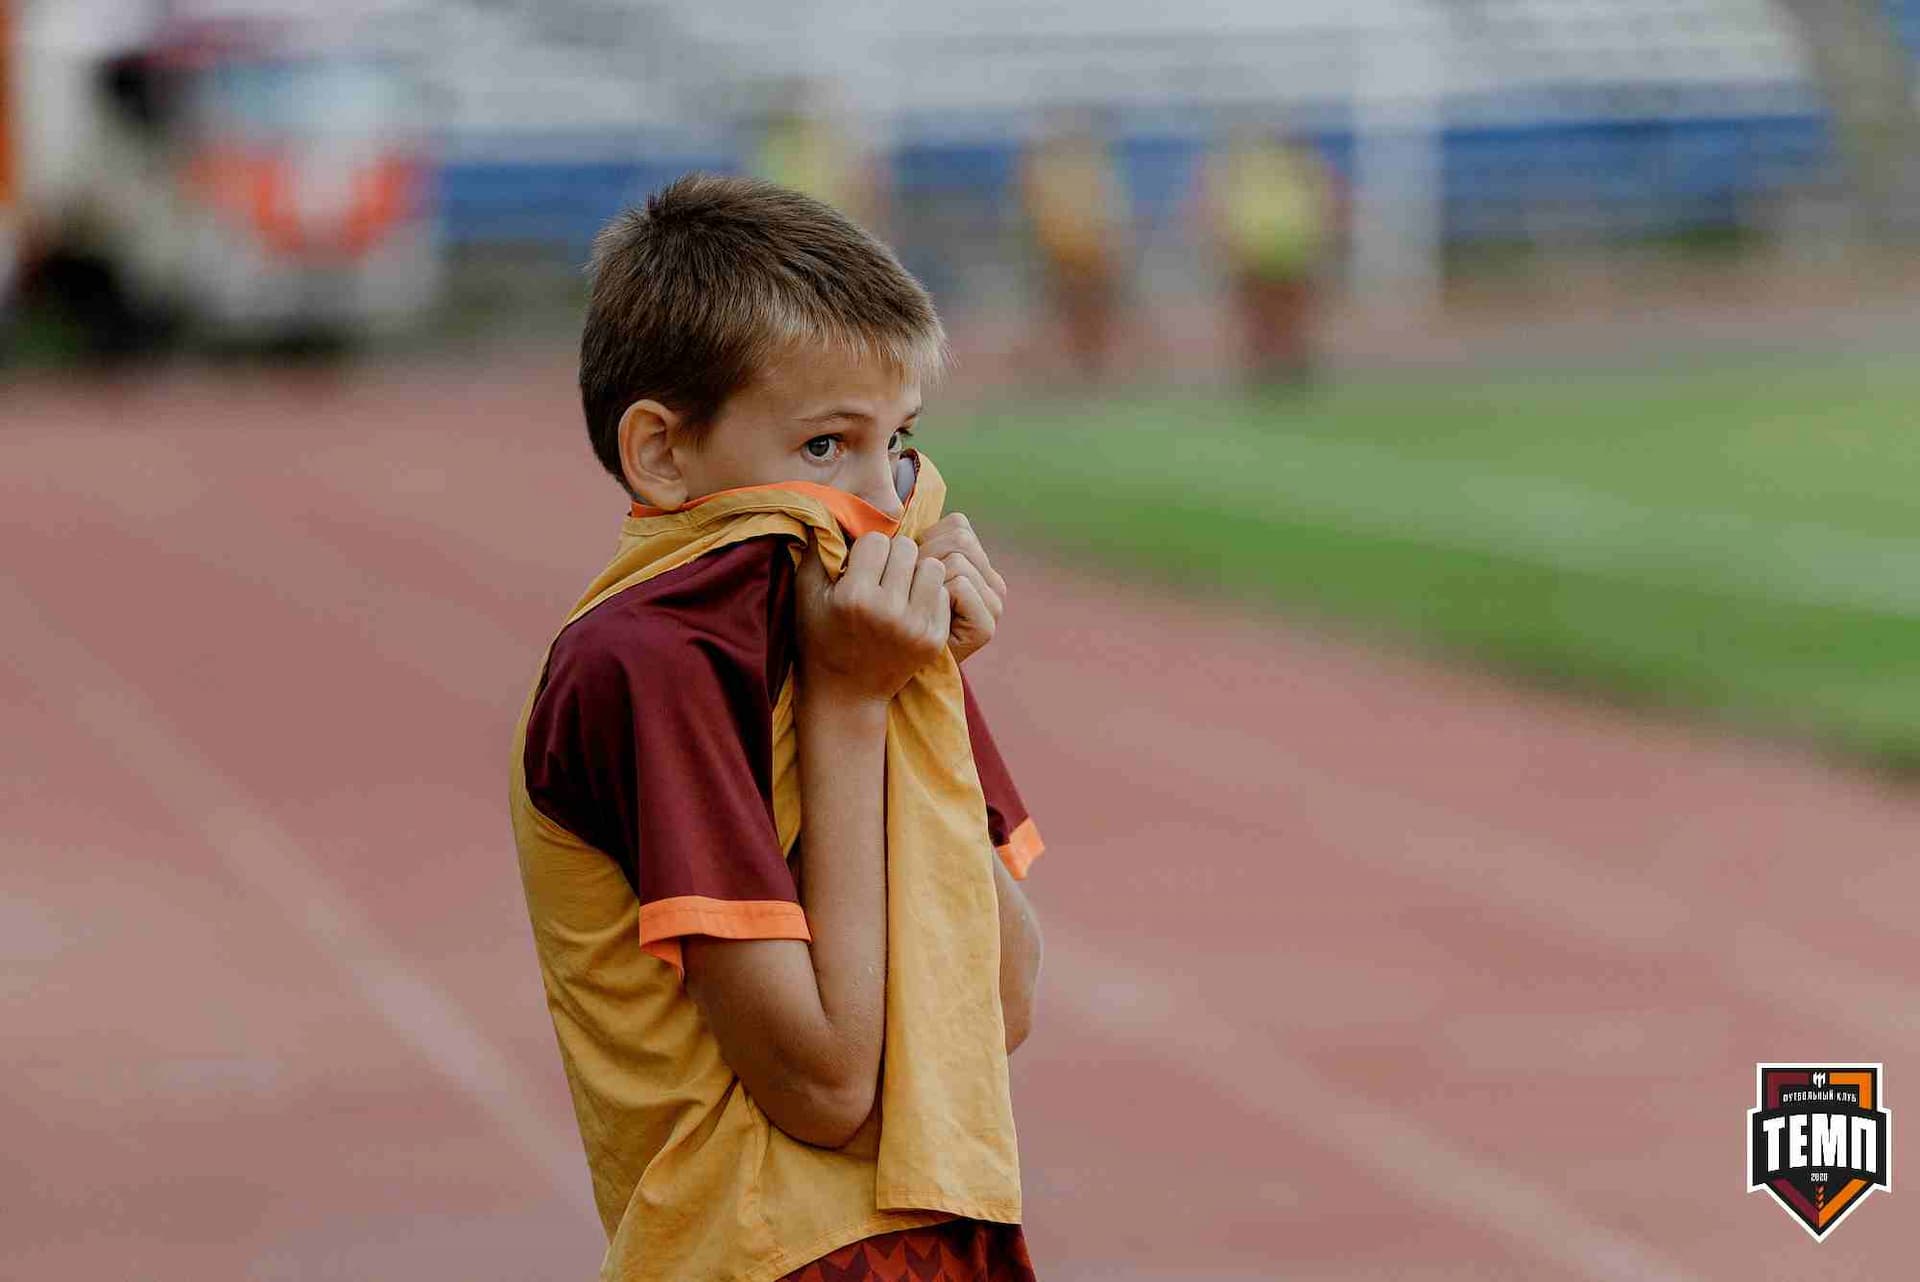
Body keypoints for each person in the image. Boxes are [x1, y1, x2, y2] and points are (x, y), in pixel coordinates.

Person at [509, 174, 1046, 1282]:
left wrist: (914, 688)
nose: (882, 503)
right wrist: (849, 706)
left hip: (942, 1224)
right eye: (820, 448)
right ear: (662, 452)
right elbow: (827, 1087)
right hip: (768, 1248)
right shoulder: (647, 658)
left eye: (897, 442)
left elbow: (1001, 1003)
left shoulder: (852, 619)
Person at [1199, 125, 1341, 388]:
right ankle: (1264, 370)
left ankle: (1289, 368)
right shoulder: (1246, 166)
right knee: (1260, 317)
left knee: (1290, 317)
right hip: (1257, 252)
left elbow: (1324, 206)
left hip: (1292, 253)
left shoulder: (1304, 167)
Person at [1019, 117, 1128, 378]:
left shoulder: (1089, 168)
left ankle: (1091, 364)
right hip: (1062, 255)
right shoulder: (1049, 170)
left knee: (1092, 313)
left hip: (1088, 253)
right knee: (1064, 313)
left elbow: (1106, 210)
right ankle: (1070, 364)